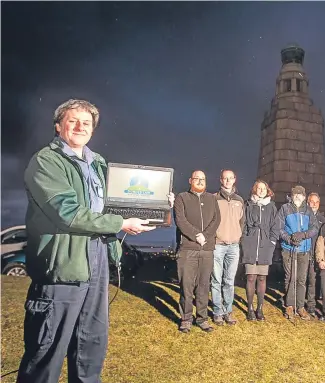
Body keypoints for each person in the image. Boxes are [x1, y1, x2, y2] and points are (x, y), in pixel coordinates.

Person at [17, 99, 156, 383]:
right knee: (47, 351)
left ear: (93, 130)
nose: (80, 126)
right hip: (64, 267)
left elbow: (113, 205)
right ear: (58, 126)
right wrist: (120, 223)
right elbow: (67, 213)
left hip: (97, 262)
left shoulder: (99, 164)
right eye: (73, 120)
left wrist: (152, 205)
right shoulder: (46, 161)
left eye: (87, 123)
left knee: (90, 347)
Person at [173, 170, 221, 333]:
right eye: (197, 179)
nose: (200, 181)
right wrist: (195, 235)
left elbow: (216, 219)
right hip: (188, 249)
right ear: (190, 180)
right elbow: (180, 220)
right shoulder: (182, 198)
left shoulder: (212, 199)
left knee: (203, 285)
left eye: (203, 179)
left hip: (206, 249)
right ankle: (186, 319)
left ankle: (202, 318)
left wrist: (205, 236)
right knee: (186, 284)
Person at [277, 185, 319, 321]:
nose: (298, 196)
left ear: (304, 196)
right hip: (289, 249)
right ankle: (289, 305)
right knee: (290, 278)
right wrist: (289, 238)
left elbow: (315, 228)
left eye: (300, 194)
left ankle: (300, 307)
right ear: (292, 195)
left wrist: (304, 234)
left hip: (304, 250)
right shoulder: (285, 209)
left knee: (301, 279)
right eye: (295, 194)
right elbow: (279, 228)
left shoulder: (308, 211)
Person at [240, 180, 279, 321]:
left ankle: (260, 308)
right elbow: (243, 224)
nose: (261, 190)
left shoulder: (271, 207)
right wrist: (244, 240)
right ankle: (250, 308)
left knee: (262, 278)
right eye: (259, 188)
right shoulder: (248, 205)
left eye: (264, 188)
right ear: (254, 189)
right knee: (251, 277)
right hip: (250, 245)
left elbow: (276, 226)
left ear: (267, 190)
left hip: (265, 246)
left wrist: (272, 242)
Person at [211, 170, 244, 326]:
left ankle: (228, 311)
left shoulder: (239, 200)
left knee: (229, 281)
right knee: (216, 280)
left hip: (233, 246)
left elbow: (241, 222)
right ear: (221, 180)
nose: (228, 180)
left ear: (234, 179)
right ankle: (218, 312)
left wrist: (237, 236)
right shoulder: (214, 199)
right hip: (218, 245)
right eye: (225, 178)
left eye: (231, 178)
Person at [305, 192, 325, 317]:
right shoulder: (303, 216)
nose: (314, 204)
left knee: (312, 281)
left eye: (316, 202)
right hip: (303, 253)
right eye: (311, 202)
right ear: (308, 203)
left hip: (314, 255)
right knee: (301, 280)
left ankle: (311, 306)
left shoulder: (322, 220)